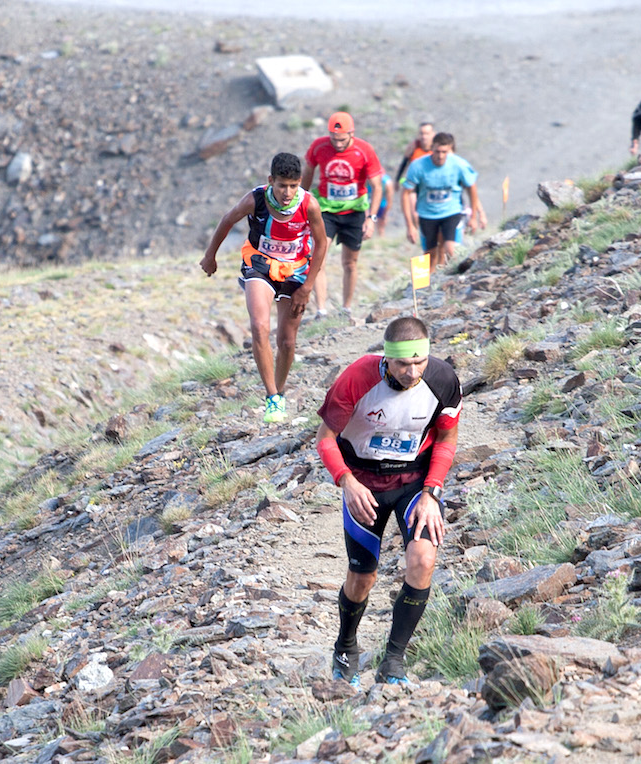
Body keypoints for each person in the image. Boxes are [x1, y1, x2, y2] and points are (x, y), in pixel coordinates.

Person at [315, 316, 461, 687]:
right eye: (402, 364)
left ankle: (393, 659)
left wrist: (432, 493)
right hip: (363, 483)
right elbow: (325, 439)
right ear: (387, 358)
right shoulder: (357, 378)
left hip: (414, 481)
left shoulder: (443, 380)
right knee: (362, 577)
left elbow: (446, 441)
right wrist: (345, 481)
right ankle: (346, 646)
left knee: (423, 559)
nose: (412, 372)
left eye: (419, 362)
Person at [199, 152, 327, 423]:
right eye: (282, 185)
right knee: (259, 327)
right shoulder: (255, 199)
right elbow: (227, 219)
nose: (287, 192)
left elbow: (322, 242)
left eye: (293, 186)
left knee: (287, 341)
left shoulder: (309, 204)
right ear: (271, 181)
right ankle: (271, 397)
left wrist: (308, 287)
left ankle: (279, 393)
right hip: (259, 264)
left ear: (300, 183)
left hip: (295, 270)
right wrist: (211, 255)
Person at [301, 111, 384, 318]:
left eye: (342, 139)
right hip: (326, 210)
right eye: (333, 139)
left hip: (354, 212)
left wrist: (371, 218)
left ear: (351, 134)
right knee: (317, 257)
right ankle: (321, 310)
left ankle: (346, 308)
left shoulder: (364, 150)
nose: (337, 144)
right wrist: (301, 203)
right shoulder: (319, 146)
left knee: (350, 262)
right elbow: (308, 173)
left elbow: (377, 185)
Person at [401, 132, 487, 273]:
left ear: (450, 149)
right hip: (427, 214)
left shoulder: (459, 164)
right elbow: (405, 193)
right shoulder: (418, 166)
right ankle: (420, 289)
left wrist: (474, 217)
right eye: (437, 151)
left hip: (451, 212)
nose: (440, 156)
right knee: (429, 255)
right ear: (431, 148)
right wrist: (410, 225)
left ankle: (450, 283)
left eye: (444, 152)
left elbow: (472, 187)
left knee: (451, 250)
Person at [368, 173, 396, 238]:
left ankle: (380, 240)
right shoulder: (368, 179)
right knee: (368, 226)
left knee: (381, 226)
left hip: (382, 205)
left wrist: (385, 213)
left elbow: (389, 199)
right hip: (370, 204)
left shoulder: (386, 182)